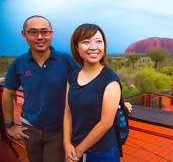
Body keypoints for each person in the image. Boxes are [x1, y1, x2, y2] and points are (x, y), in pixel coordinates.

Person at [2, 15, 132, 162]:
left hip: (62, 133)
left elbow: (97, 81)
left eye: (44, 31)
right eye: (33, 32)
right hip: (31, 130)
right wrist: (9, 125)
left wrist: (118, 103)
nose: (40, 36)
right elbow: (8, 94)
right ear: (24, 34)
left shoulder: (65, 61)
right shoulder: (19, 64)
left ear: (51, 34)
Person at [64, 24, 124, 162]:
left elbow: (106, 123)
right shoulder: (73, 76)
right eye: (86, 42)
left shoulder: (110, 79)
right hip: (74, 148)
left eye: (98, 41)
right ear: (76, 47)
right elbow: (67, 112)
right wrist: (66, 144)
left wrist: (78, 151)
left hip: (101, 153)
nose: (93, 47)